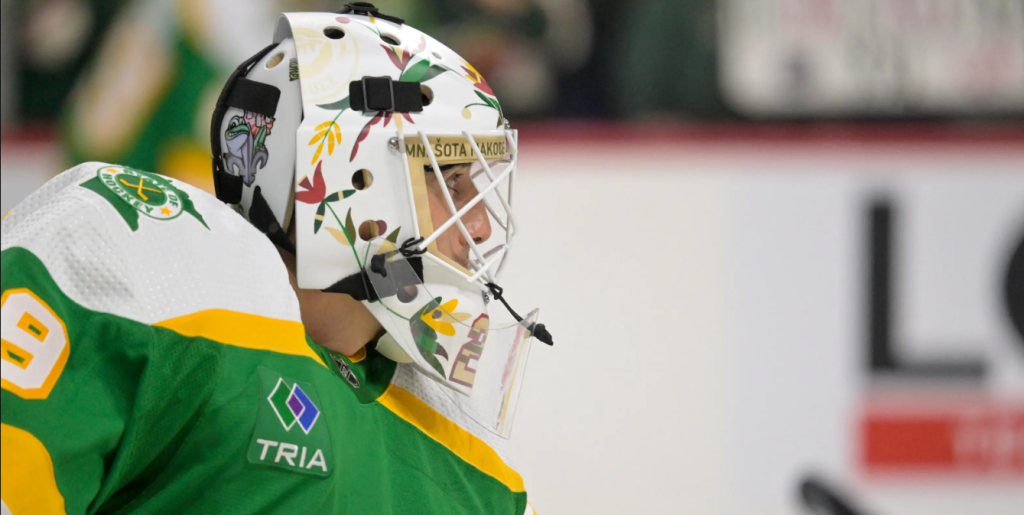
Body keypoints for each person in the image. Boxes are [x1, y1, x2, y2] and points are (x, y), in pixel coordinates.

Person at [0, 4, 550, 514]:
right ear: (347, 173)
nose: (478, 226)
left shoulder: (478, 469)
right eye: (451, 181)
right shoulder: (140, 261)